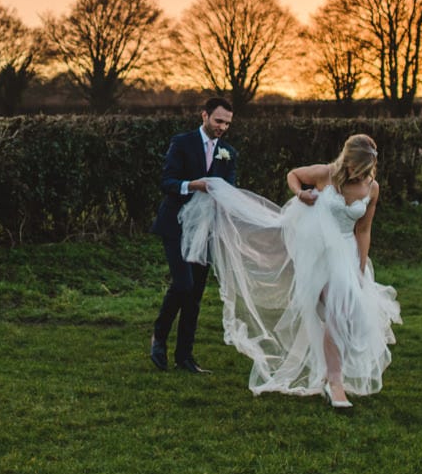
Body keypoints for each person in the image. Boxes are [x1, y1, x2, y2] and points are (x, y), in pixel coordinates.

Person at [178, 133, 399, 408]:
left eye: (363, 170)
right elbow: (293, 174)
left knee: (343, 315)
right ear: (346, 159)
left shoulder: (372, 188)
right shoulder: (325, 173)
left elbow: (363, 229)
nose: (357, 173)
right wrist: (300, 193)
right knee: (336, 310)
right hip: (316, 254)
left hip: (346, 254)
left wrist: (361, 268)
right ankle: (335, 382)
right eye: (354, 166)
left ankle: (331, 374)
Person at [149, 98, 237, 373]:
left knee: (195, 294)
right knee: (183, 283)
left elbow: (229, 190)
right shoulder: (182, 142)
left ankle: (185, 357)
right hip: (176, 224)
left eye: (227, 123)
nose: (222, 127)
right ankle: (159, 337)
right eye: (218, 121)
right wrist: (192, 185)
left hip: (206, 229)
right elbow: (167, 182)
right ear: (205, 116)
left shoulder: (228, 152)